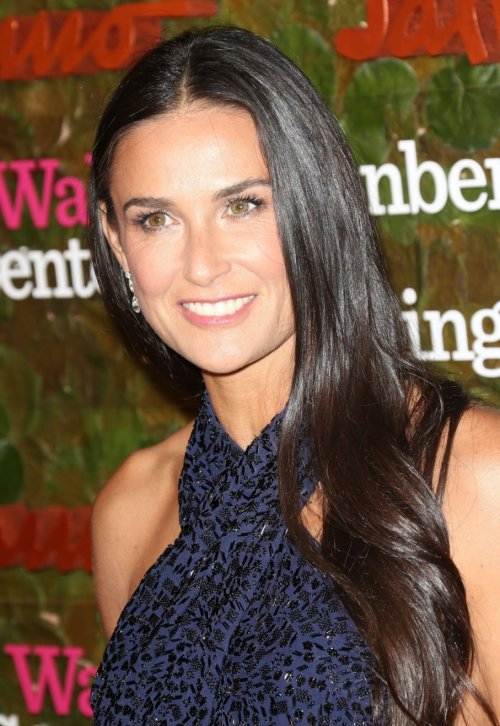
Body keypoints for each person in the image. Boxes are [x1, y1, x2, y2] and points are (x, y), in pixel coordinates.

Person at [88, 25, 500, 725]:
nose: (202, 265)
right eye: (156, 219)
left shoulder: (470, 476)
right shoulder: (130, 509)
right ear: (117, 243)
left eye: (242, 205)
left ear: (315, 208)